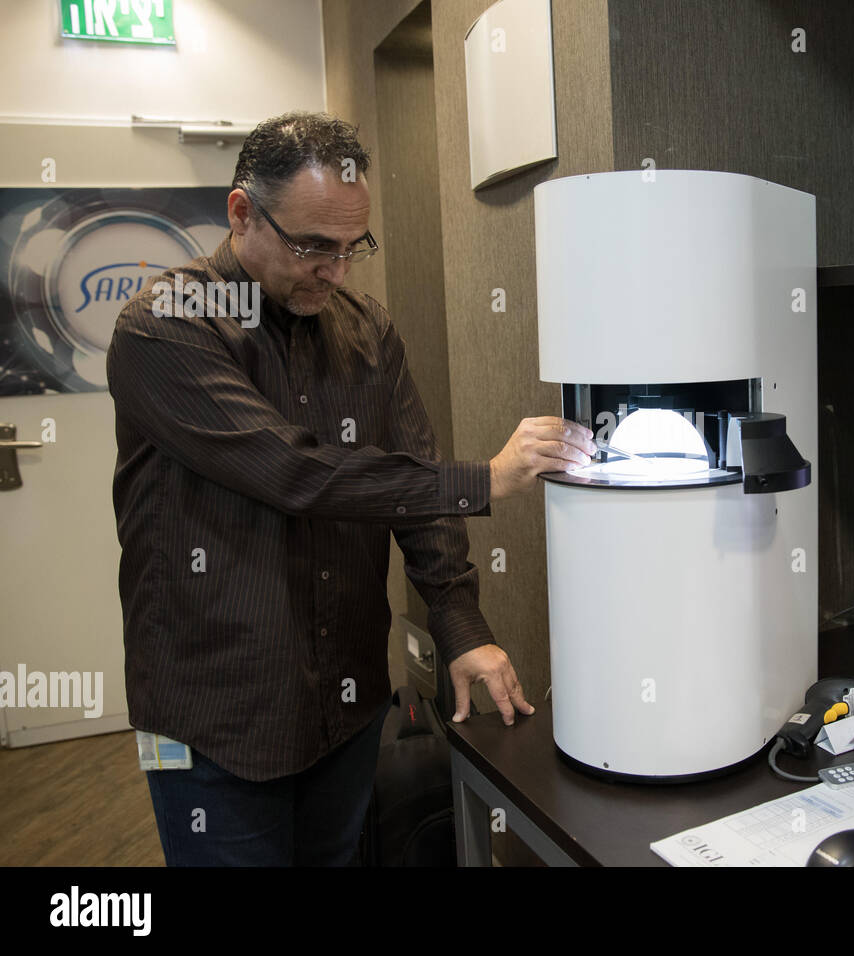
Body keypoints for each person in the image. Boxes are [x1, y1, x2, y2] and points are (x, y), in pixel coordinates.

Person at [106, 111, 594, 865]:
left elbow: (413, 485)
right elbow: (293, 472)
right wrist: (488, 477)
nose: (335, 272)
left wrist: (461, 625)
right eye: (312, 248)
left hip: (346, 700)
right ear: (242, 213)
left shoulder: (366, 327)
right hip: (215, 717)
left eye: (351, 248)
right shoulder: (165, 325)